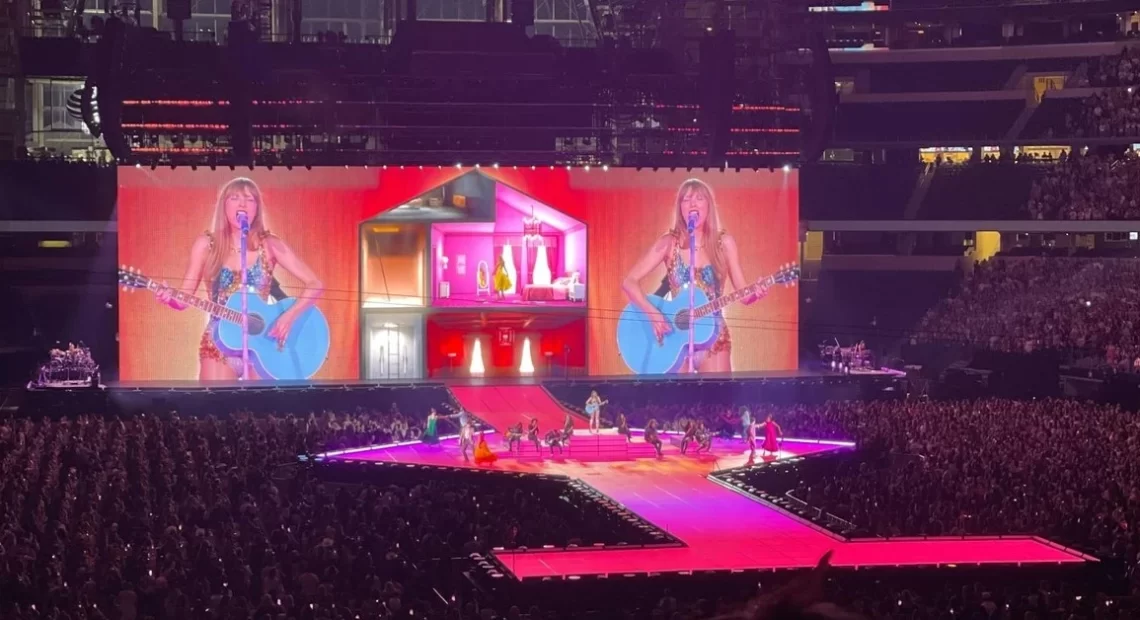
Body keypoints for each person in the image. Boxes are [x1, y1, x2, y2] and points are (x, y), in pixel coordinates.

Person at [155, 177, 324, 381]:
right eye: (234, 198)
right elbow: (183, 300)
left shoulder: (270, 244)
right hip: (218, 344)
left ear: (257, 208)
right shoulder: (206, 245)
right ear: (223, 206)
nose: (242, 204)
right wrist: (170, 298)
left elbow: (315, 284)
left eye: (249, 199)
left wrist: (288, 318)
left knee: (262, 411)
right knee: (215, 408)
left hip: (263, 346)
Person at [621, 178, 770, 373]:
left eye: (699, 198)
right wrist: (654, 314)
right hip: (675, 338)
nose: (692, 203)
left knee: (718, 401)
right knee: (677, 403)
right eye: (686, 199)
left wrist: (755, 293)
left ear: (708, 206)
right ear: (680, 208)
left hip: (714, 338)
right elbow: (629, 282)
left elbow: (744, 295)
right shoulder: (669, 243)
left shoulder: (724, 243)